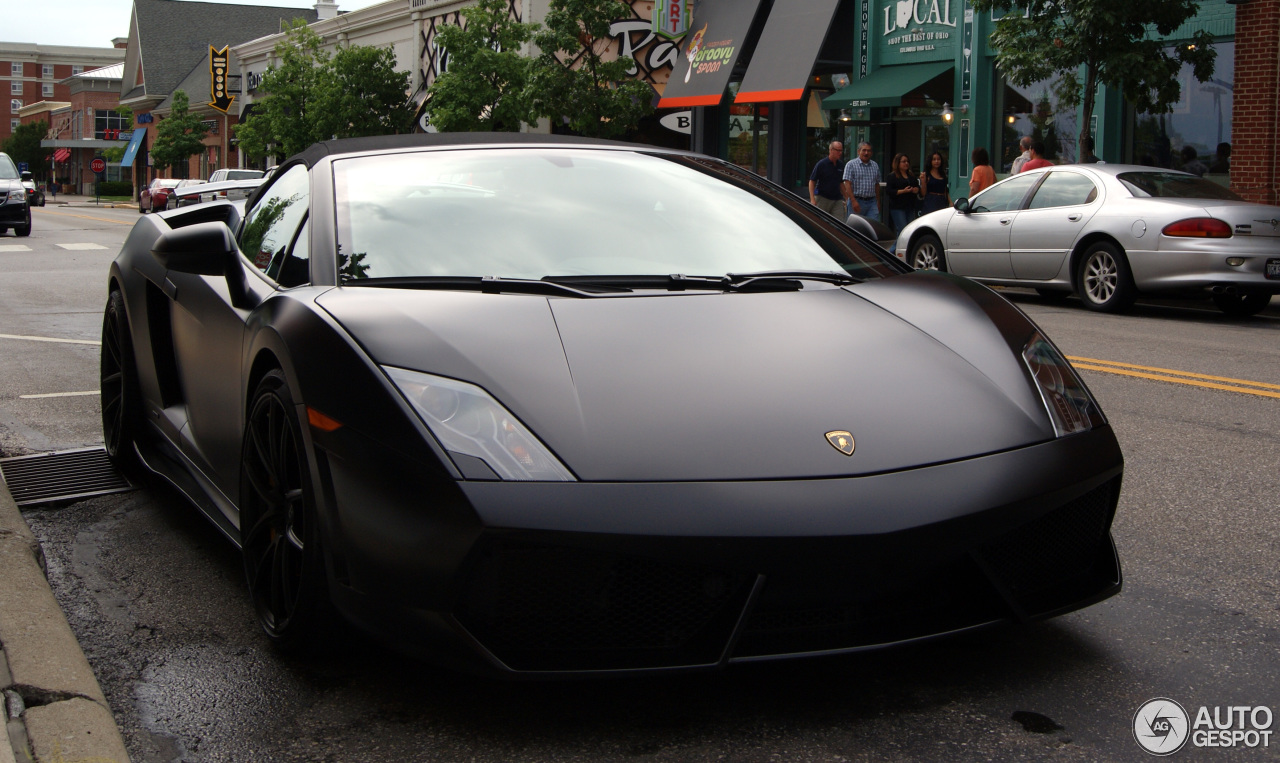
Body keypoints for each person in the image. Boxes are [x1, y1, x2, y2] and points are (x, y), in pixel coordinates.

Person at [842, 142, 882, 222]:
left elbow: (877, 184)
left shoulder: (875, 165)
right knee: (855, 227)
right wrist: (853, 201)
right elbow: (847, 184)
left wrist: (878, 201)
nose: (866, 153)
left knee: (873, 226)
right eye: (864, 150)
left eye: (869, 151)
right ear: (858, 151)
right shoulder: (851, 164)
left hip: (872, 202)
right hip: (857, 200)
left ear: (871, 153)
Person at [808, 141, 847, 218]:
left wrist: (846, 197)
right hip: (822, 197)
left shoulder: (840, 165)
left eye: (841, 150)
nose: (840, 153)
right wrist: (812, 199)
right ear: (831, 150)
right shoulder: (822, 164)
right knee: (820, 221)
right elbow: (812, 181)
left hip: (837, 198)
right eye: (838, 150)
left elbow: (841, 183)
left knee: (839, 222)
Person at [884, 153, 920, 234]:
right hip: (898, 207)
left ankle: (900, 246)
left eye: (907, 161)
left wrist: (916, 190)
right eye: (903, 161)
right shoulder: (892, 176)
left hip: (910, 206)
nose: (906, 163)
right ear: (898, 163)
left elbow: (917, 187)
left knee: (910, 229)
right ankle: (895, 247)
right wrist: (903, 191)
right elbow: (889, 191)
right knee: (902, 229)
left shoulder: (911, 175)